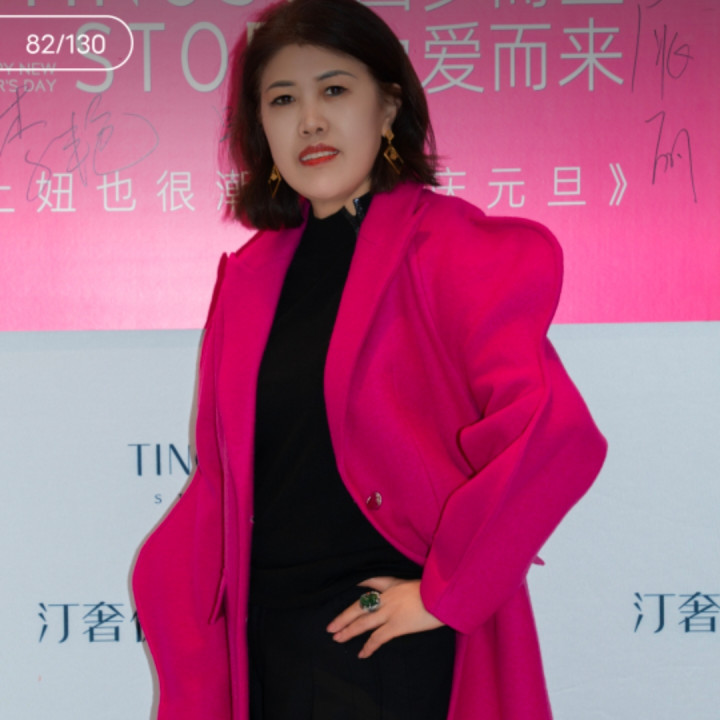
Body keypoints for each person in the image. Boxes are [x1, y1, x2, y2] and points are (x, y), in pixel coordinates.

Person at [132, 1, 607, 719]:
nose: (310, 121)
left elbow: (552, 432)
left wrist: (445, 594)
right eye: (282, 100)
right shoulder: (250, 280)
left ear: (388, 106)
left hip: (385, 651)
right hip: (268, 647)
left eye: (334, 90)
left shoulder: (449, 252)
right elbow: (228, 480)